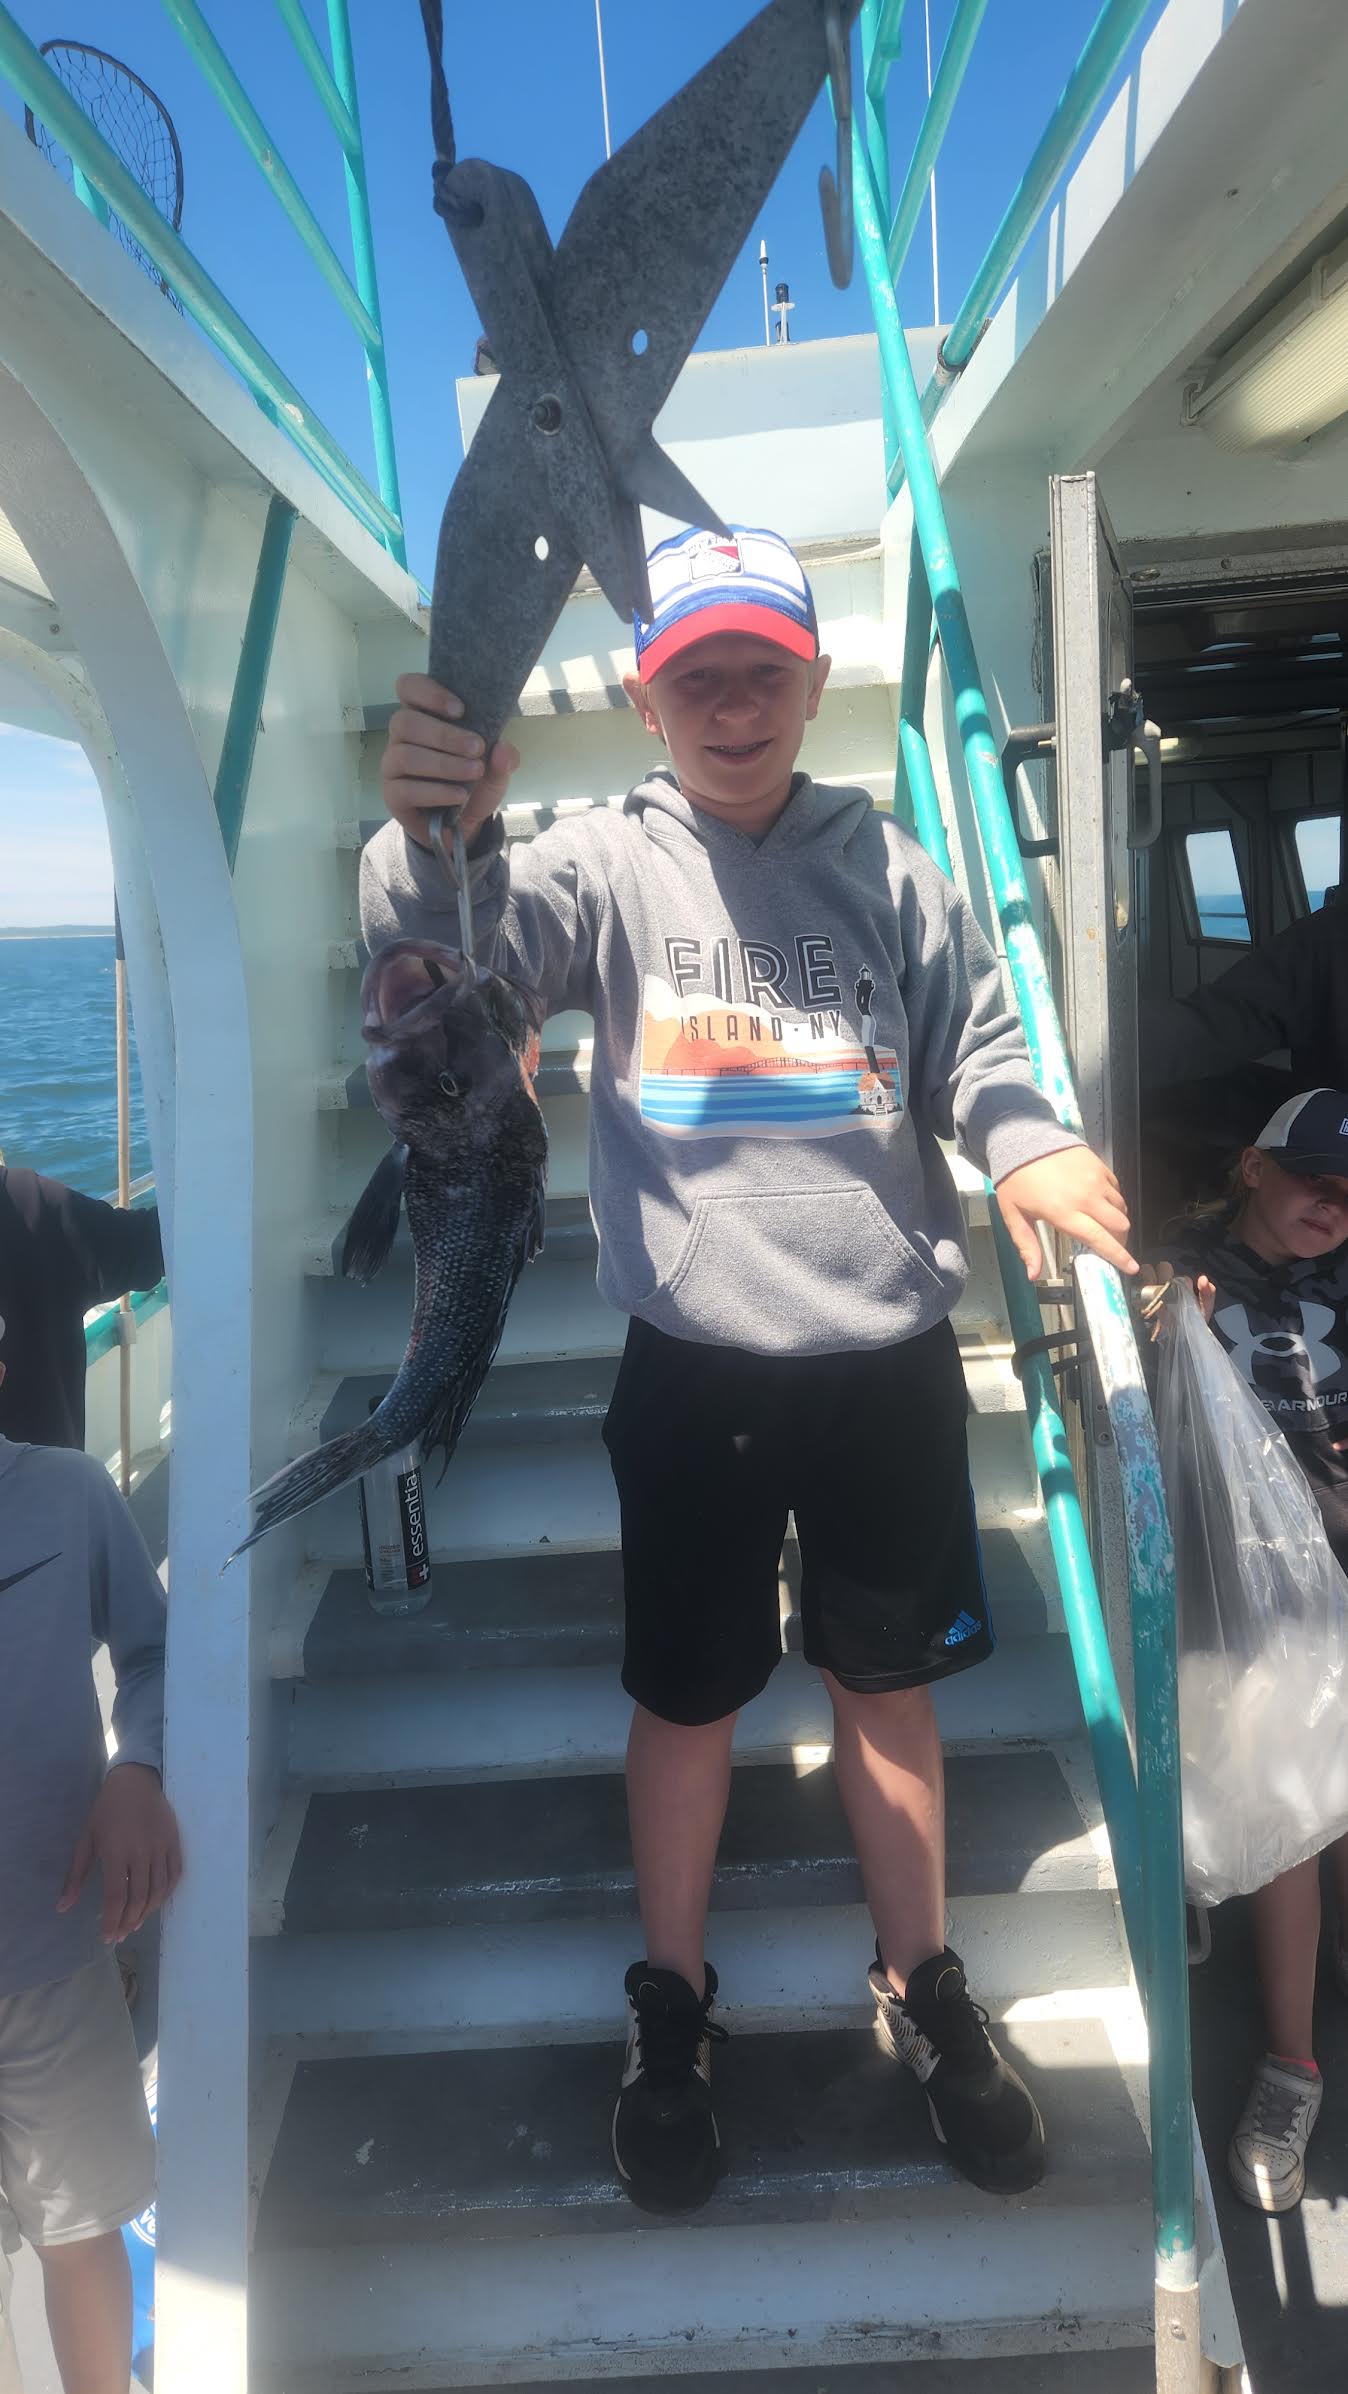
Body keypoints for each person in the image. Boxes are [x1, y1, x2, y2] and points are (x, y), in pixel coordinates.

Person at [364, 523, 1136, 2215]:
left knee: (887, 1688)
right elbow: (444, 965)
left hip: (885, 1368)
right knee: (685, 1700)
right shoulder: (597, 864)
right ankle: (669, 2002)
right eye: (693, 672)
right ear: (646, 700)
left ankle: (919, 1980)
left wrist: (1018, 1151)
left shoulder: (899, 872)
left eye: (760, 669)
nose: (729, 699)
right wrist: (432, 828)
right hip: (692, 1372)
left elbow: (980, 1053)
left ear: (811, 681)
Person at [1150, 1087, 1348, 2215]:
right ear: (1253, 1167)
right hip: (1243, 1587)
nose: (1331, 1202)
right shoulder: (1179, 1271)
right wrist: (1160, 1313)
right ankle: (1290, 2058)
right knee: (1284, 1805)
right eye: (1313, 1174)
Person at [0, 1370, 182, 2393]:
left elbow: (153, 1651)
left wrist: (136, 1767)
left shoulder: (71, 1493)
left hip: (60, 1960)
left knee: (80, 2237)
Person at [0, 1163, 163, 1451]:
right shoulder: (28, 1203)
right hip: (50, 1487)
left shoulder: (31, 1204)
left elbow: (151, 1242)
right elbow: (158, 1240)